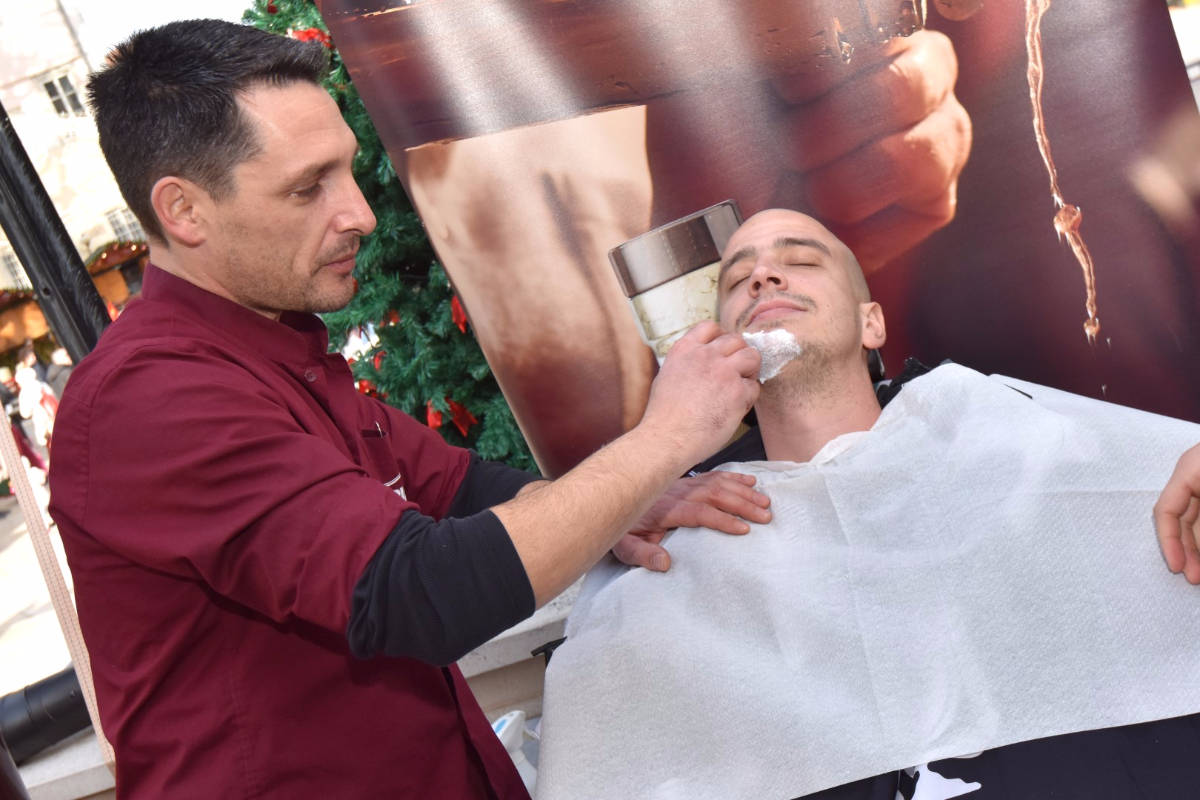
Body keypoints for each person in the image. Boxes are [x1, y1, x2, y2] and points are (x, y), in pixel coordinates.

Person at [47, 21, 775, 799]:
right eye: (307, 187)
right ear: (184, 211)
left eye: (346, 170)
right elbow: (421, 592)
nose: (359, 214)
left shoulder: (277, 348)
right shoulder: (149, 395)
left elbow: (465, 489)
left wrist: (624, 503)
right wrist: (666, 437)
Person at [536, 209, 1200, 799]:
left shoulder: (1018, 441)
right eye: (739, 280)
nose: (763, 276)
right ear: (722, 347)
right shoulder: (675, 551)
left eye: (801, 261)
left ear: (871, 322)